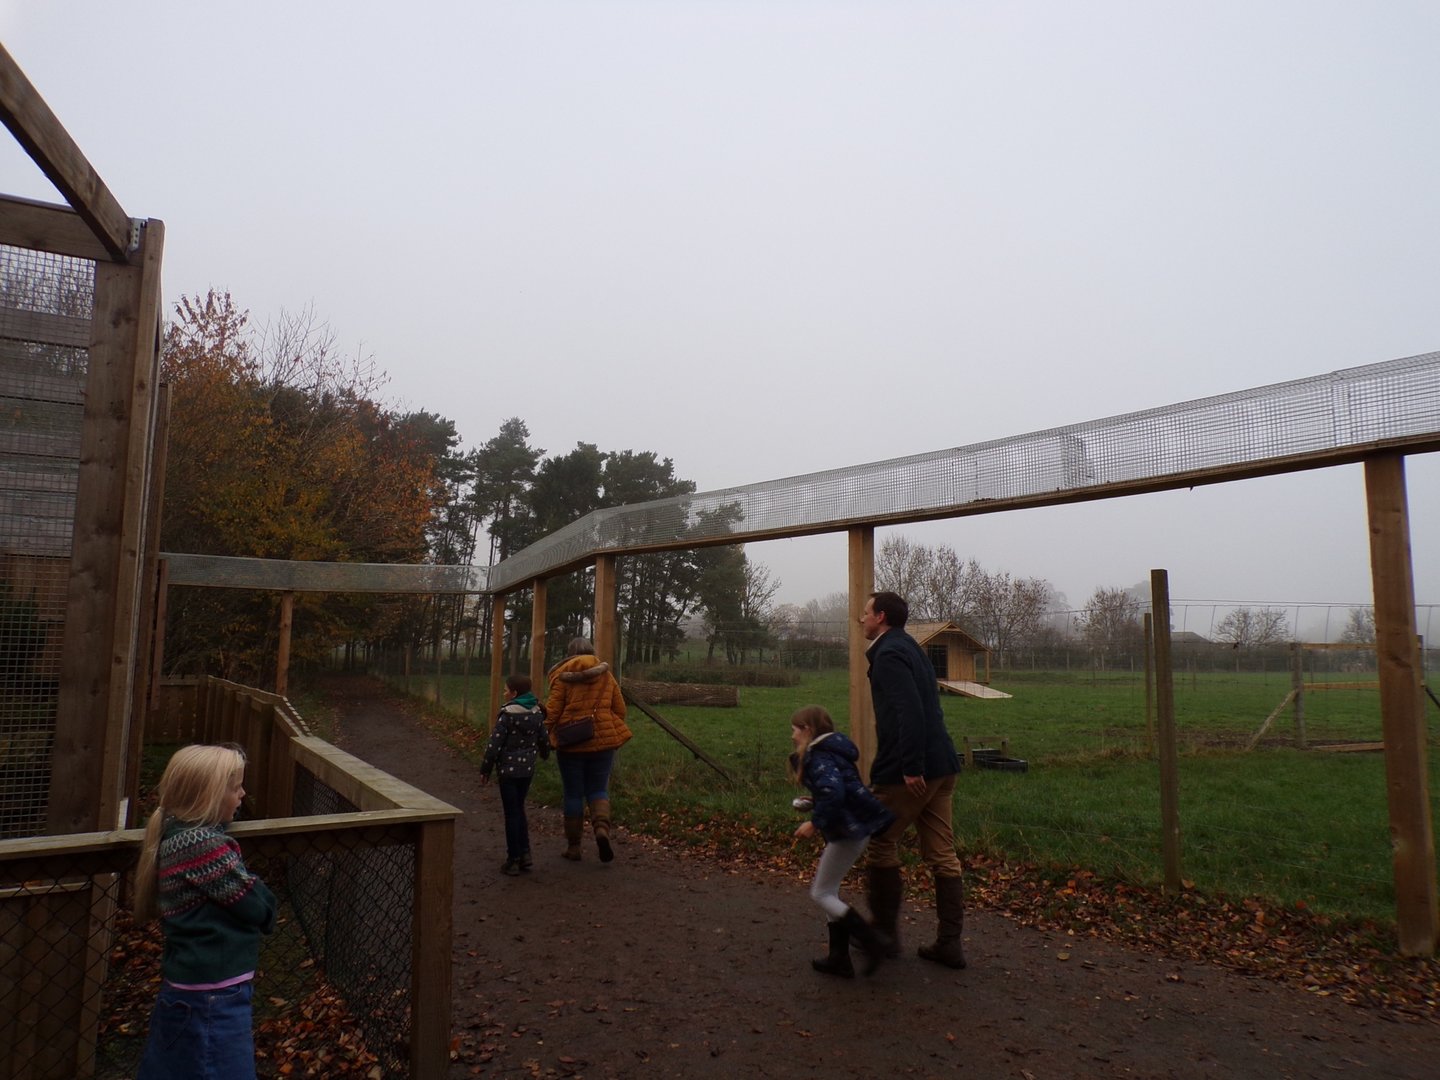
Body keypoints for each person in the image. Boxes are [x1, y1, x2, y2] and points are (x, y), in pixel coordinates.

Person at [132, 743, 278, 1080]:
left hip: (194, 989)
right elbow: (257, 905)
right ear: (210, 795)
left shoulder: (182, 837)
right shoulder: (202, 847)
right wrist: (259, 889)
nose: (243, 794)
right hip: (213, 997)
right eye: (235, 786)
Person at [860, 590, 968, 969]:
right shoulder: (913, 649)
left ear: (882, 617)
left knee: (880, 840)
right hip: (943, 764)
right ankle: (949, 944)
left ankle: (883, 937)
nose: (862, 619)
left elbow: (908, 711)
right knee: (942, 854)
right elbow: (928, 706)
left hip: (911, 771)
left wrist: (910, 767)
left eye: (866, 613)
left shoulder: (889, 655)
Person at [789, 704, 895, 978]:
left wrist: (814, 822)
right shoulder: (834, 751)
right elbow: (840, 790)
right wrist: (817, 802)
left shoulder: (820, 757)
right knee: (830, 892)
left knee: (821, 893)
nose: (792, 736)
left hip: (848, 832)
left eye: (795, 730)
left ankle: (872, 941)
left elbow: (834, 794)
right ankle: (839, 958)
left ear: (808, 730)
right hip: (855, 828)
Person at [545, 636, 631, 862]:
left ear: (569, 653)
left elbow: (552, 712)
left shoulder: (561, 678)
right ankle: (602, 830)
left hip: (571, 744)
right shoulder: (606, 675)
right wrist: (606, 725)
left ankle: (574, 847)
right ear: (591, 651)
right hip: (603, 744)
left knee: (573, 793)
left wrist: (543, 734)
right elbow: (620, 708)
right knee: (598, 790)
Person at [480, 672, 551, 875]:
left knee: (512, 813)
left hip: (508, 771)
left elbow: (494, 744)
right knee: (519, 809)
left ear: (514, 692)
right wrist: (545, 754)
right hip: (527, 770)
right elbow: (544, 739)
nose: (504, 693)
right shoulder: (537, 712)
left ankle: (513, 858)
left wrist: (485, 769)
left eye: (505, 689)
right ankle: (525, 853)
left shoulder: (508, 714)